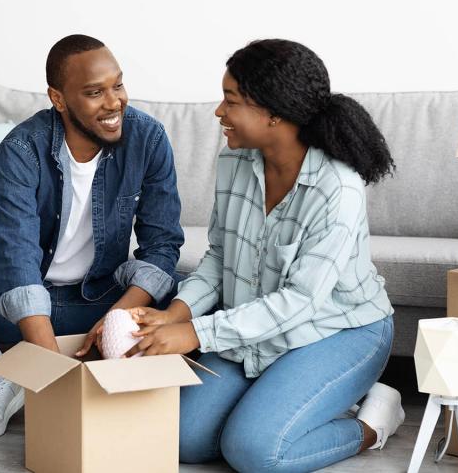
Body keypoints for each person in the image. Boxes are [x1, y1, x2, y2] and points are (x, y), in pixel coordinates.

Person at [127, 39, 403, 472]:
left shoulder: (337, 187)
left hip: (339, 330)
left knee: (256, 453)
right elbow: (219, 257)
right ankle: (298, 404)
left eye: (231, 101)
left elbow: (301, 302)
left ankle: (372, 419)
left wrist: (197, 334)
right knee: (183, 439)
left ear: (274, 112)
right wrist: (175, 314)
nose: (219, 112)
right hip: (256, 328)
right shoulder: (233, 162)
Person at [0, 34, 184, 441]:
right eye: (95, 92)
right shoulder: (21, 149)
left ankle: (108, 379)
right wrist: (49, 371)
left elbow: (163, 243)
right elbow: (15, 252)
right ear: (58, 99)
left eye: (117, 85)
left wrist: (118, 317)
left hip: (98, 300)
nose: (114, 102)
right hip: (20, 303)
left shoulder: (147, 139)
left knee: (185, 298)